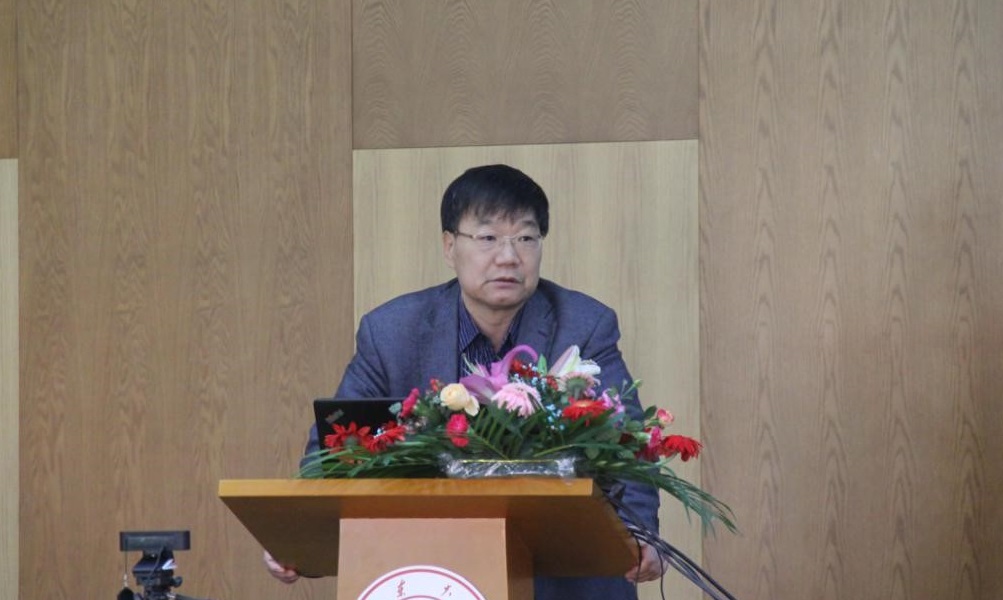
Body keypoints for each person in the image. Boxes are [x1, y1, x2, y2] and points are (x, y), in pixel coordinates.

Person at [265, 164, 665, 598]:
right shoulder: (392, 332)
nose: (509, 256)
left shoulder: (584, 325)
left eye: (526, 238)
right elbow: (335, 450)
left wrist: (640, 536)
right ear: (449, 246)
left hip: (566, 576)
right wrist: (298, 538)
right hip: (431, 570)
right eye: (488, 237)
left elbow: (627, 442)